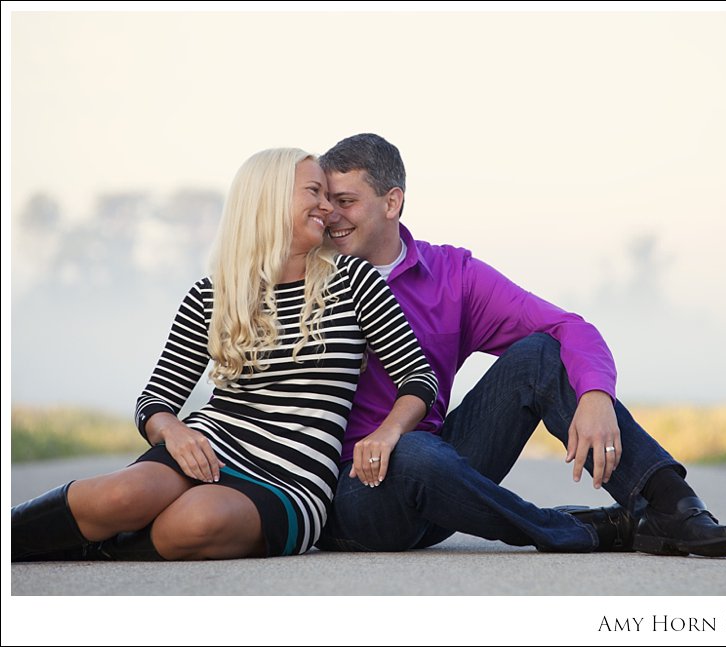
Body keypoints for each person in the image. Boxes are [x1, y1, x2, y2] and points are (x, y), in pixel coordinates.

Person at [313, 133, 726, 556]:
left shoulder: (451, 275)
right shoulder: (305, 280)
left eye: (346, 202)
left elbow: (568, 327)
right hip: (357, 497)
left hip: (444, 479)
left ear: (392, 202)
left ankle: (671, 505)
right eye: (327, 202)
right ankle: (587, 528)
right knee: (415, 452)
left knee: (539, 355)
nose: (331, 215)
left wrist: (596, 394)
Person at [11, 148, 438, 561]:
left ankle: (89, 546)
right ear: (268, 199)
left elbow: (419, 379)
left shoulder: (354, 280)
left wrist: (387, 433)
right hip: (213, 445)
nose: (328, 207)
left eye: (329, 196)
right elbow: (155, 401)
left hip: (293, 479)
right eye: (315, 192)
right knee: (124, 494)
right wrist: (175, 433)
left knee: (194, 522)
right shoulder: (211, 294)